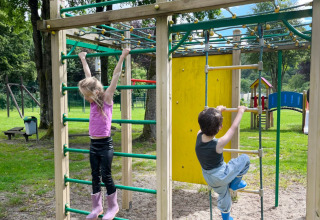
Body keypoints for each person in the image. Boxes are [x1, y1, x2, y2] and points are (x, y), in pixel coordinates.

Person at [78, 48, 130, 220]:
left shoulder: (106, 98)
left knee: (106, 175)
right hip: (93, 144)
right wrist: (83, 60)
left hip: (105, 145)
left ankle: (113, 207)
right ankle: (97, 207)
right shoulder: (93, 102)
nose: (86, 99)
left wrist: (122, 56)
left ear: (95, 92)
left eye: (87, 96)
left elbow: (115, 75)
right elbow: (88, 77)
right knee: (94, 175)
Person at [195, 106, 250, 220]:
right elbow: (233, 128)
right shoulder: (218, 144)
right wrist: (241, 111)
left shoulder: (198, 135)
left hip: (208, 177)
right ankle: (236, 183)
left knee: (224, 194)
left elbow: (208, 122)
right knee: (244, 159)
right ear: (220, 127)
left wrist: (217, 110)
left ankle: (226, 217)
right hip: (221, 174)